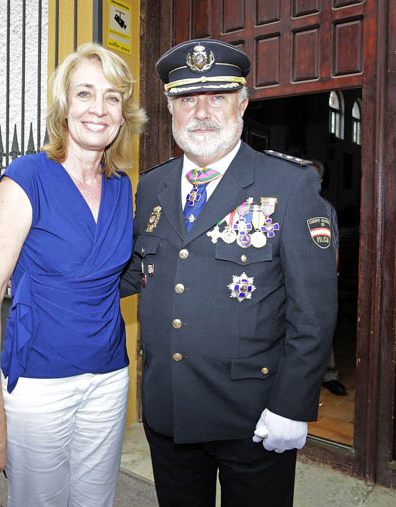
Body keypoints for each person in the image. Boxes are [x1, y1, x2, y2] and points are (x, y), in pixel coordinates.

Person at [121, 39, 338, 507]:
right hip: (169, 413)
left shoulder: (289, 185)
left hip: (254, 419)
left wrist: (291, 406)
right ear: (169, 109)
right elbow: (138, 271)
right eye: (186, 98)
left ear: (241, 103)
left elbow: (313, 312)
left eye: (217, 97)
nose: (201, 111)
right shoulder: (152, 185)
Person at [0, 42, 146, 507]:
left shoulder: (120, 186)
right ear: (64, 105)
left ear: (123, 114)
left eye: (112, 97)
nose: (99, 108)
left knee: (96, 501)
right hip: (39, 383)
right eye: (85, 93)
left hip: (109, 378)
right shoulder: (27, 177)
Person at [308, 159, 347, 396]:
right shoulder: (284, 204)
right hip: (285, 277)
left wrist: (331, 277)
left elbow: (333, 246)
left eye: (312, 178)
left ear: (320, 182)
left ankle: (328, 374)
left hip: (316, 277)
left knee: (318, 326)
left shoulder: (325, 209)